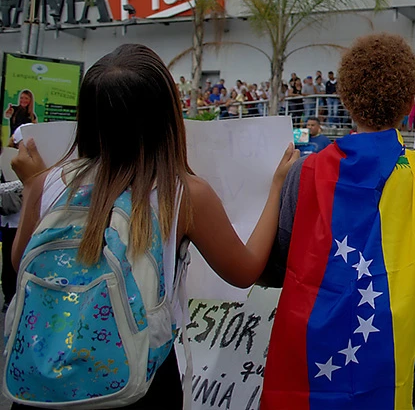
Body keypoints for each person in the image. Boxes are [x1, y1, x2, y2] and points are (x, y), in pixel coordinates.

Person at [6, 44, 299, 408]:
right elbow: (245, 270)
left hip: (42, 377)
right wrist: (276, 186)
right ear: (166, 115)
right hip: (135, 382)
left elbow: (21, 265)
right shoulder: (183, 194)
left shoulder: (53, 179)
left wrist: (34, 188)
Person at [259, 0, 415, 408]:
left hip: (307, 361)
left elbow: (276, 264)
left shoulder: (302, 172)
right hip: (384, 361)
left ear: (345, 97)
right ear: (411, 102)